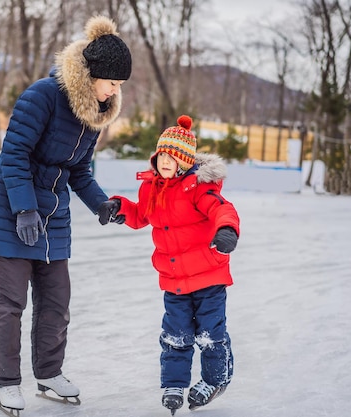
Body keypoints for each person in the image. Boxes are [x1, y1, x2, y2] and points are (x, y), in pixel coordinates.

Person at [0, 15, 132, 414]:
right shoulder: (43, 96)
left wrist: (100, 203)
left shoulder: (95, 114)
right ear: (93, 74)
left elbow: (78, 170)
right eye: (113, 82)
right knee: (9, 305)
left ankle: (48, 372)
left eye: (119, 86)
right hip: (12, 210)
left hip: (53, 217)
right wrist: (24, 209)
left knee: (57, 300)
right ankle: (6, 383)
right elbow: (14, 155)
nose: (116, 91)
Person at [99, 115, 240, 414]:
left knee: (210, 333)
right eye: (162, 154)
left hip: (208, 278)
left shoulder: (199, 188)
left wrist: (226, 230)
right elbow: (140, 216)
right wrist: (118, 207)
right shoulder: (151, 189)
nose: (165, 160)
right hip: (174, 280)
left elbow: (222, 210)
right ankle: (174, 383)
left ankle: (215, 380)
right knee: (175, 334)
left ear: (185, 161)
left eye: (173, 156)